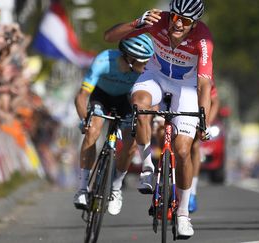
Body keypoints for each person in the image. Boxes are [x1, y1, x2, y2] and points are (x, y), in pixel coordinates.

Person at [103, 0, 213, 238]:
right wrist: (136, 23)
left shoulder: (203, 40)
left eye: (185, 21)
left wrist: (203, 118)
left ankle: (183, 214)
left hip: (186, 87)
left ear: (194, 25)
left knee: (183, 150)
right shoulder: (157, 22)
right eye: (175, 18)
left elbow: (204, 84)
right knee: (140, 106)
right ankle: (147, 168)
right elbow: (109, 37)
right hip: (155, 76)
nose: (178, 24)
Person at [73, 34, 154, 216]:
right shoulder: (103, 61)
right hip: (101, 97)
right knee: (93, 131)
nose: (147, 65)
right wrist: (84, 119)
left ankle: (116, 188)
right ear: (131, 59)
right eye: (144, 61)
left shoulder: (142, 72)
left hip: (124, 100)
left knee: (131, 141)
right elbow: (81, 95)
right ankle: (83, 188)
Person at [188, 84, 220, 213]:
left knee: (194, 144)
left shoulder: (204, 72)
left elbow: (215, 102)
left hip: (196, 110)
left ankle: (192, 192)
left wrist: (206, 124)